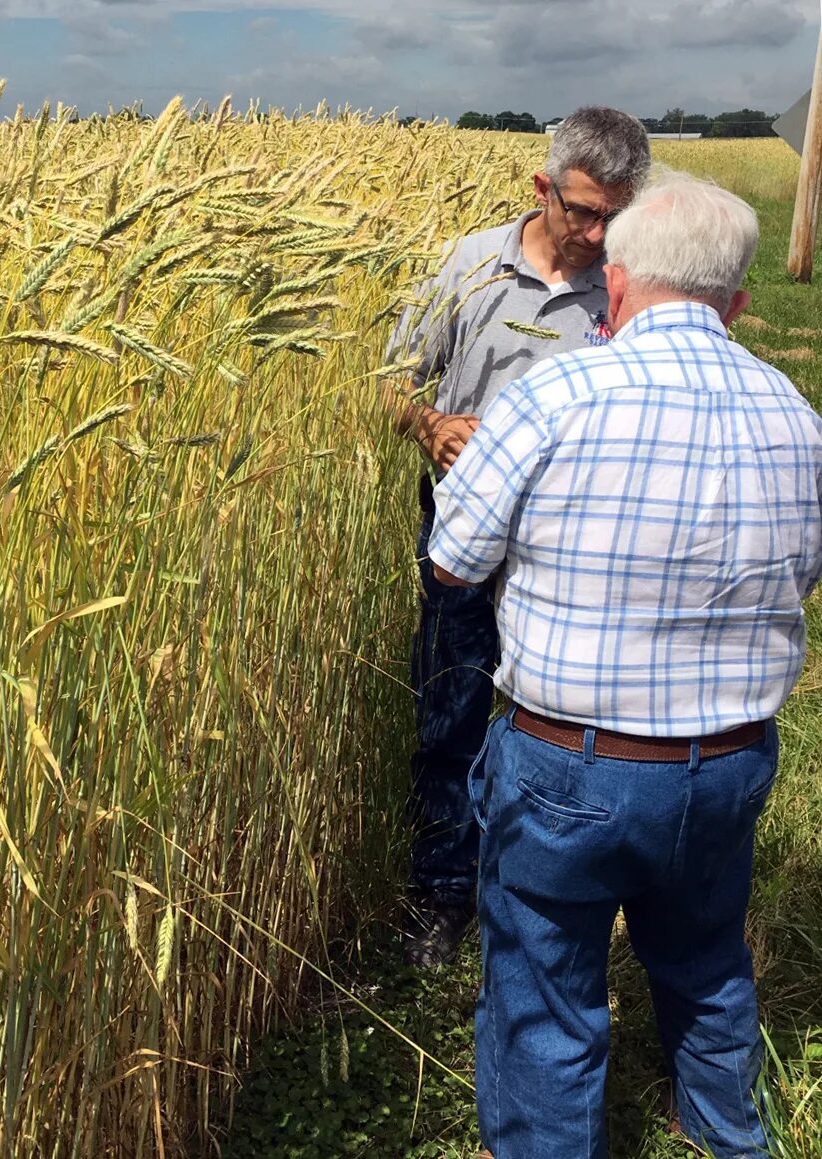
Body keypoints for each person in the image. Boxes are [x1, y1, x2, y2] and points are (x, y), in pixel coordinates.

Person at [429, 170, 822, 1158]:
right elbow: (802, 575)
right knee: (704, 960)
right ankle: (725, 1134)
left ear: (614, 283)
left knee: (543, 990)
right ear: (736, 304)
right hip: (726, 762)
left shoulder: (551, 394)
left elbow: (453, 560)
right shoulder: (799, 420)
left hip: (567, 762)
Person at [382, 107, 651, 966]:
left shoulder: (627, 282)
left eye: (615, 213)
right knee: (453, 703)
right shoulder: (469, 265)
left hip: (575, 545)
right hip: (461, 531)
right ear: (541, 188)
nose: (597, 232)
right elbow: (388, 383)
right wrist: (427, 426)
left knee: (558, 720)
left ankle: (539, 888)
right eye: (582, 211)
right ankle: (442, 889)